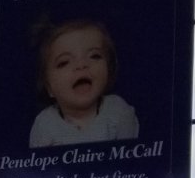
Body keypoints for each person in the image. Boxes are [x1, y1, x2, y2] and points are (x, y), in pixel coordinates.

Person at [27, 18, 138, 147]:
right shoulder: (45, 124)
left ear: (109, 69)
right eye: (64, 62)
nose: (81, 65)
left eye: (94, 56)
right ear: (49, 88)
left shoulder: (118, 112)